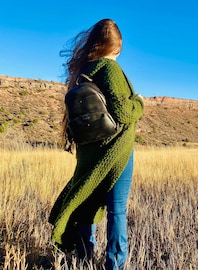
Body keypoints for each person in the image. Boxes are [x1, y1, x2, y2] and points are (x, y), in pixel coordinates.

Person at [48, 18, 144, 269]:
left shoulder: (84, 70)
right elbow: (123, 112)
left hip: (89, 151)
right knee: (117, 211)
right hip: (115, 152)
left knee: (86, 203)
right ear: (117, 47)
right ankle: (115, 263)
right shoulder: (109, 69)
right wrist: (140, 103)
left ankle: (84, 255)